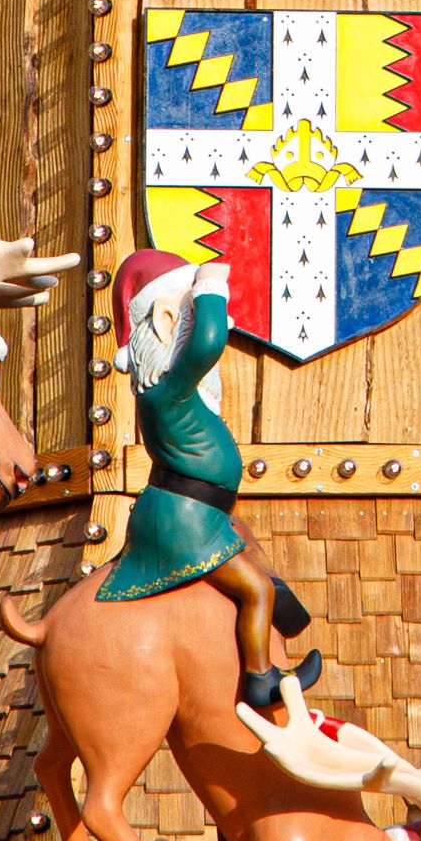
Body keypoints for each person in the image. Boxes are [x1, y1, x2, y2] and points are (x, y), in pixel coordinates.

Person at [96, 248, 310, 712]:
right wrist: (213, 284)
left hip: (204, 511)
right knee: (252, 587)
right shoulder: (168, 390)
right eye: (191, 312)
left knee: (247, 538)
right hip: (184, 520)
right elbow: (209, 341)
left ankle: (283, 604)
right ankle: (260, 677)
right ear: (169, 319)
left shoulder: (172, 392)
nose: (222, 324)